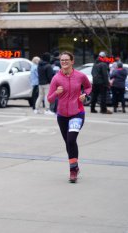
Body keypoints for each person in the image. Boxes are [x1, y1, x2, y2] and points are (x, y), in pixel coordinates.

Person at [47, 51, 92, 183]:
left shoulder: (80, 76)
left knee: (71, 140)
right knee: (68, 142)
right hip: (62, 116)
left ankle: (72, 171)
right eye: (62, 60)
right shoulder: (56, 78)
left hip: (77, 113)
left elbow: (89, 87)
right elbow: (49, 99)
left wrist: (85, 95)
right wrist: (56, 92)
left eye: (67, 60)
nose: (64, 62)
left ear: (72, 62)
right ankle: (75, 166)